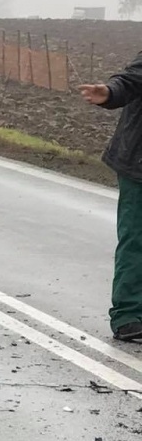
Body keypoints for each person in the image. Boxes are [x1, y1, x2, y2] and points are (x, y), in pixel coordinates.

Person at [79, 52, 142, 341]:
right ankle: (128, 316)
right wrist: (109, 92)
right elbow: (130, 80)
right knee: (136, 238)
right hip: (138, 164)